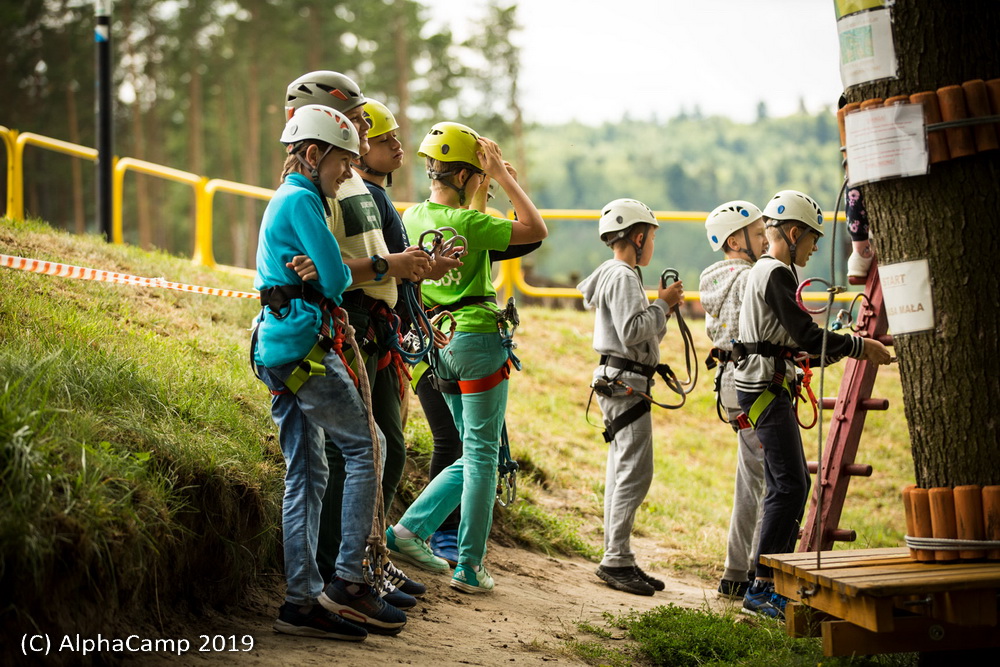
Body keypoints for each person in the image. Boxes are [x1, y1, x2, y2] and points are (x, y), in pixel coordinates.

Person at [250, 104, 403, 640]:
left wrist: (327, 271)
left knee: (308, 472)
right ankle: (348, 583)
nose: (349, 172)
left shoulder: (290, 198)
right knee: (368, 446)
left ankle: (300, 602)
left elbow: (330, 274)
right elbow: (337, 280)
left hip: (280, 348)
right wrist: (328, 272)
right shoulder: (303, 201)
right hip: (302, 349)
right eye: (343, 161)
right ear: (313, 155)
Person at [283, 72, 431, 611]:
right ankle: (340, 574)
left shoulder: (343, 187)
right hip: (332, 333)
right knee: (354, 453)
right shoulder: (313, 195)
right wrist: (378, 268)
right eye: (359, 119)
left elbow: (341, 266)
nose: (366, 128)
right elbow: (334, 273)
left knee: (356, 455)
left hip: (358, 326)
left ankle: (352, 567)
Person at [386, 121, 548, 593]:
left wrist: (482, 184)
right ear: (465, 175)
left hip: (438, 345)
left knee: (472, 451)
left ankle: (408, 530)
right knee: (483, 458)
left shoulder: (412, 216)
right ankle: (470, 565)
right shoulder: (471, 224)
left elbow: (465, 233)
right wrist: (502, 175)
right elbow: (535, 228)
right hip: (477, 341)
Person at [734, 190, 891, 618]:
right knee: (792, 485)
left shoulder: (767, 271)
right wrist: (860, 346)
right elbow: (806, 336)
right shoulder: (776, 273)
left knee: (787, 484)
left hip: (764, 383)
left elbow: (791, 337)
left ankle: (764, 579)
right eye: (813, 238)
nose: (816, 247)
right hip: (765, 386)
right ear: (794, 231)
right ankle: (763, 587)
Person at [576, 198, 684, 596]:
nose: (652, 243)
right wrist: (663, 304)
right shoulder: (623, 277)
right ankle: (615, 559)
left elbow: (643, 332)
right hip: (625, 382)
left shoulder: (621, 275)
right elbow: (633, 331)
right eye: (651, 236)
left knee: (624, 470)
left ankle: (619, 555)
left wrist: (662, 311)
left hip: (623, 379)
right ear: (638, 237)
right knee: (634, 472)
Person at [699, 200, 769, 600]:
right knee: (764, 480)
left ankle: (739, 569)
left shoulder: (714, 278)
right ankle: (747, 571)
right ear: (734, 240)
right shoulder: (750, 278)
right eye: (758, 234)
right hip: (750, 381)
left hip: (729, 381)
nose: (764, 240)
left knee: (753, 476)